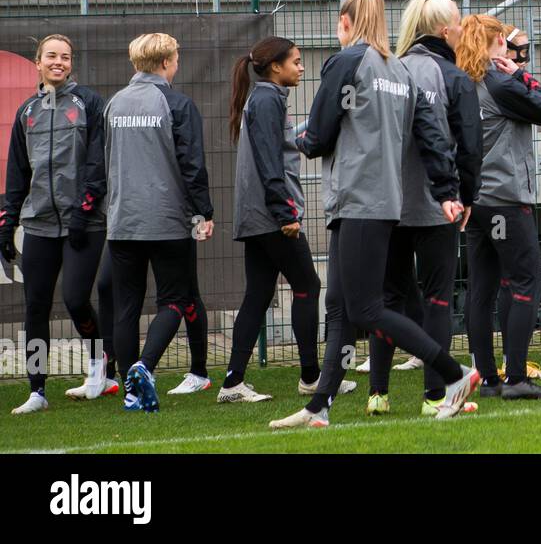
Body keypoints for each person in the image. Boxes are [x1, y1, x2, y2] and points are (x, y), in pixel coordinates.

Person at [270, 0, 477, 429]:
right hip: (386, 204)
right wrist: (446, 190)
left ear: (346, 23)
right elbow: (433, 137)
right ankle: (319, 406)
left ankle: (454, 373)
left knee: (365, 309)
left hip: (356, 201)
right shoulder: (399, 71)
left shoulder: (346, 62)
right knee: (345, 306)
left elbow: (320, 134)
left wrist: (298, 139)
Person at [363, 0, 483, 415]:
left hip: (388, 204)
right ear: (444, 30)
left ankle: (377, 394)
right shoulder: (453, 76)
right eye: (457, 22)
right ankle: (435, 395)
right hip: (437, 205)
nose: (462, 28)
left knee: (387, 300)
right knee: (437, 299)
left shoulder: (387, 68)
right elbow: (469, 145)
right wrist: (465, 195)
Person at [103, 33, 214, 412]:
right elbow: (192, 166)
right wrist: (203, 213)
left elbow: (105, 162)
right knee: (174, 299)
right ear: (167, 62)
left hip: (122, 221)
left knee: (126, 306)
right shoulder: (177, 103)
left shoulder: (114, 104)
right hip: (166, 220)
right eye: (176, 58)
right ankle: (143, 368)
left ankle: (130, 390)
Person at [4, 35, 112, 414]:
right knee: (35, 306)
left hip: (85, 221)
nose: (58, 62)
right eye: (51, 56)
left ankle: (100, 364)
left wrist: (84, 210)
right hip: (38, 224)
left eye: (65, 57)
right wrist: (8, 224)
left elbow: (98, 164)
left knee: (75, 299)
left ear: (71, 64)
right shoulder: (26, 111)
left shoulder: (90, 104)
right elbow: (17, 174)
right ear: (38, 62)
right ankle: (37, 390)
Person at [457, 14, 541, 400]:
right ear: (494, 43)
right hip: (504, 197)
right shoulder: (499, 80)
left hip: (476, 200)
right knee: (525, 281)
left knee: (480, 289)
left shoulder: (462, 81)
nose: (510, 48)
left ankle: (488, 378)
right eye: (503, 40)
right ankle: (516, 376)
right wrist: (520, 76)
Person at [218, 36, 322, 403]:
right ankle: (312, 378)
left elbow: (273, 151)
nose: (302, 67)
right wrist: (284, 212)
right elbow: (267, 161)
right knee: (308, 287)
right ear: (275, 67)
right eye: (296, 61)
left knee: (258, 295)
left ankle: (232, 383)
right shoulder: (265, 100)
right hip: (272, 216)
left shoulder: (265, 99)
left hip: (257, 215)